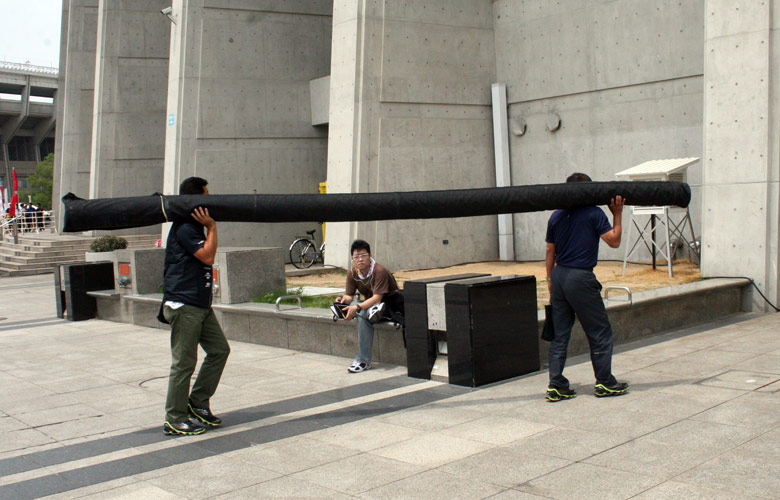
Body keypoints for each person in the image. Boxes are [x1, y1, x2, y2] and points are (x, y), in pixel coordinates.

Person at [544, 172, 629, 402]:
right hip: (580, 277)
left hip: (559, 276)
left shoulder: (556, 216)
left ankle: (556, 384)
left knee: (559, 334)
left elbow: (550, 251)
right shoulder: (594, 213)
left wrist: (550, 280)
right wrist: (618, 215)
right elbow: (614, 240)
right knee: (599, 330)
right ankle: (605, 382)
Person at [158, 176, 230, 435]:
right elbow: (208, 257)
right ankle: (174, 417)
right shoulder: (186, 228)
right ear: (196, 199)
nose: (209, 200)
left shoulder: (191, 226)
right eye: (206, 195)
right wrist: (212, 227)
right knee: (184, 363)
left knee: (219, 350)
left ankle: (197, 403)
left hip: (199, 304)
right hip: (184, 304)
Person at [336, 240, 399, 373]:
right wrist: (342, 301)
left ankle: (364, 360)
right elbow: (349, 295)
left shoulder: (379, 271)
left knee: (361, 313)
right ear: (352, 259)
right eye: (356, 257)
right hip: (371, 306)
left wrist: (357, 308)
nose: (360, 259)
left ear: (369, 255)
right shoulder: (352, 273)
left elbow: (377, 298)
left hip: (388, 306)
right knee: (357, 308)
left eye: (363, 255)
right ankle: (363, 359)